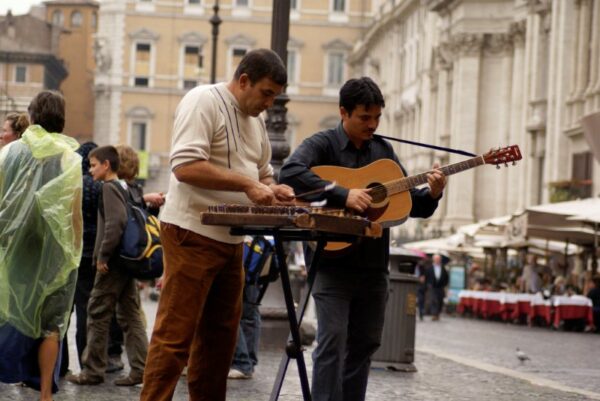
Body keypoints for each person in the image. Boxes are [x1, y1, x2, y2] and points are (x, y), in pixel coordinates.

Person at [140, 48, 294, 401]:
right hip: (191, 231)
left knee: (220, 342)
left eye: (275, 96)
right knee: (175, 336)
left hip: (231, 240)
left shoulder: (256, 123)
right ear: (244, 81)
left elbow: (263, 176)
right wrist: (247, 185)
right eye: (267, 93)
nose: (269, 103)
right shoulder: (202, 101)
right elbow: (185, 166)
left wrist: (275, 189)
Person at [279, 77, 446, 401]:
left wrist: (433, 194)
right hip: (331, 263)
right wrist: (344, 194)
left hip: (373, 267)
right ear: (344, 112)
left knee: (366, 344)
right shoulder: (322, 144)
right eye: (365, 118)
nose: (373, 125)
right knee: (332, 341)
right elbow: (290, 173)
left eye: (377, 118)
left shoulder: (383, 152)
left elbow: (410, 203)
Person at [0, 90, 83, 401]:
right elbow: (73, 211)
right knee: (51, 324)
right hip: (54, 251)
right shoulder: (69, 157)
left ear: (32, 116)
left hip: (15, 247)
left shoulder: (10, 152)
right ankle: (46, 393)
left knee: (8, 308)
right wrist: (74, 252)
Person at [66, 146, 148, 386]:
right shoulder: (127, 186)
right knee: (130, 314)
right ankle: (141, 368)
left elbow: (115, 223)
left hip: (112, 263)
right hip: (127, 261)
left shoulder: (110, 188)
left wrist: (102, 256)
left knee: (97, 312)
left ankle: (92, 370)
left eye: (93, 165)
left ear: (106, 165)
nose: (90, 170)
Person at [425, 254, 449, 321]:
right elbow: (427, 277)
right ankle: (434, 314)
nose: (437, 260)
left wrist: (444, 284)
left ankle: (437, 313)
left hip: (440, 287)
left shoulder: (443, 268)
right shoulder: (429, 268)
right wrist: (428, 284)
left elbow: (446, 277)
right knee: (433, 300)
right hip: (432, 287)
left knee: (440, 301)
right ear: (434, 260)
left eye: (438, 259)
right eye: (436, 259)